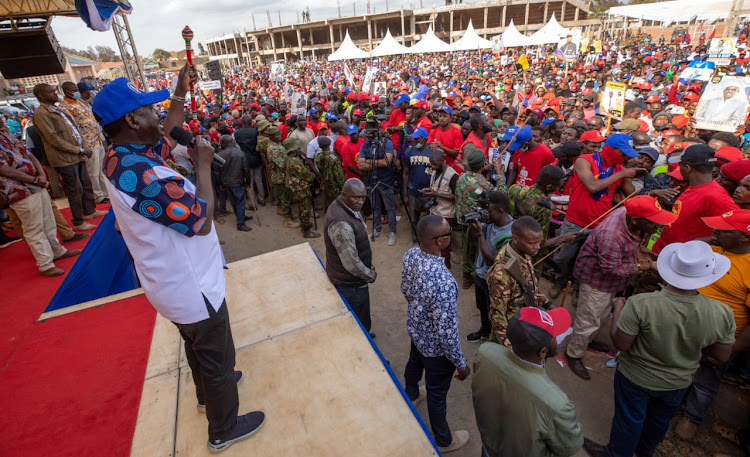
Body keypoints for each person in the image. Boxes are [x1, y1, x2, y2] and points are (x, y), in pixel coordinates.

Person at [93, 68, 264, 453]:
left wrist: (179, 94)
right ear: (132, 121)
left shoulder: (124, 154)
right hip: (192, 286)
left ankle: (207, 397)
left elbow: (167, 130)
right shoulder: (140, 174)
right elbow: (201, 221)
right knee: (219, 357)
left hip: (172, 283)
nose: (159, 115)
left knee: (196, 345)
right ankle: (223, 428)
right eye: (150, 110)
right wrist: (203, 163)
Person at [583, 241, 734, 457]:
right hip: (677, 382)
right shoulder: (722, 313)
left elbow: (622, 343)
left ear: (669, 269)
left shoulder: (641, 303)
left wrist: (617, 309)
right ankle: (645, 452)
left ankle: (617, 454)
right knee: (659, 420)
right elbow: (721, 356)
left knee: (629, 418)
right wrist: (689, 353)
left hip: (635, 378)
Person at [564, 196, 678, 380]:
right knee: (588, 319)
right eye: (654, 223)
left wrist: (638, 251)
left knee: (600, 314)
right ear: (635, 220)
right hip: (597, 280)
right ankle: (574, 353)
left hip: (608, 281)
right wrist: (644, 267)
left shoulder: (630, 215)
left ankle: (587, 341)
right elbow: (611, 268)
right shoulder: (612, 235)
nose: (658, 227)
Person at [675, 210, 750, 440]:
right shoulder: (714, 248)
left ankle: (692, 417)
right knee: (678, 367)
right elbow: (692, 245)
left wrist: (731, 348)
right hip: (685, 328)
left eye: (723, 229)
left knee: (705, 380)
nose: (714, 231)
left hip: (719, 340)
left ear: (745, 238)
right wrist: (715, 237)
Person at [472, 307, 583, 457]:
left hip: (489, 447)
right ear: (543, 352)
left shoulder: (485, 352)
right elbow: (569, 446)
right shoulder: (557, 404)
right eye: (554, 336)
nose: (557, 339)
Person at [402, 214, 470, 453]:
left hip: (416, 330)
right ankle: (443, 440)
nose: (451, 235)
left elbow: (406, 290)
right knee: (436, 394)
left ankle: (410, 394)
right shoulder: (443, 281)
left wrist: (418, 316)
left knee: (414, 362)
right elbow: (447, 333)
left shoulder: (410, 255)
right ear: (439, 241)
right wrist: (461, 364)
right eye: (449, 232)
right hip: (436, 351)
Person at [549, 133, 641, 298]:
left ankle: (577, 287)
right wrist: (621, 175)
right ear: (610, 149)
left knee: (588, 261)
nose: (626, 157)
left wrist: (650, 193)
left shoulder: (621, 169)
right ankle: (560, 280)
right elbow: (592, 186)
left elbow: (632, 198)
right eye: (623, 153)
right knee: (562, 257)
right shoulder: (585, 160)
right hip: (574, 221)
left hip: (600, 225)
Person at [0, 120, 81, 276]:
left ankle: (57, 251)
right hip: (19, 191)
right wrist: (34, 179)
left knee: (48, 221)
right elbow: (4, 170)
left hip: (36, 184)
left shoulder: (7, 135)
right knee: (34, 228)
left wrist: (41, 174)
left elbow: (29, 154)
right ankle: (45, 264)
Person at [33, 83, 105, 231]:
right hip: (64, 157)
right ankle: (78, 222)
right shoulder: (42, 113)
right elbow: (53, 139)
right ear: (41, 96)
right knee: (75, 189)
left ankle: (89, 211)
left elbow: (73, 130)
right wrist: (77, 150)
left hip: (77, 153)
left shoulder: (56, 108)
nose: (54, 94)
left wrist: (81, 147)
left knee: (85, 184)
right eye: (51, 92)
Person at [653, 144, 739, 253]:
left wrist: (696, 243)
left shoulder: (716, 197)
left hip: (682, 261)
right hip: (664, 253)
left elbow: (736, 230)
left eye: (680, 165)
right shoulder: (693, 187)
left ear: (687, 168)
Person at [324, 179, 377, 336]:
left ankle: (365, 334)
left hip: (352, 280)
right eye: (356, 198)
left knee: (362, 318)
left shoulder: (344, 206)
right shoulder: (341, 224)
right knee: (355, 325)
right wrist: (370, 275)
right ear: (344, 195)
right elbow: (352, 264)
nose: (361, 201)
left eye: (363, 197)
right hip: (349, 283)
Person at [487, 216, 548, 346]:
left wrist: (548, 305)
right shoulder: (501, 274)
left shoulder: (522, 252)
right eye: (532, 243)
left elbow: (529, 285)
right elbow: (498, 317)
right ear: (516, 239)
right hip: (511, 331)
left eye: (539, 242)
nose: (537, 247)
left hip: (524, 320)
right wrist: (510, 348)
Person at [465, 191, 514, 342]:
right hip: (481, 275)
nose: (486, 214)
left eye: (489, 211)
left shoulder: (511, 232)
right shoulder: (490, 223)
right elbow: (471, 241)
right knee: (482, 307)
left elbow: (490, 260)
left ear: (500, 211)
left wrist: (480, 234)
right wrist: (473, 228)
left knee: (495, 312)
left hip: (494, 281)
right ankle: (484, 331)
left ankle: (496, 339)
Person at [455, 146, 504, 289]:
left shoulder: (462, 177)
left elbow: (477, 188)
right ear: (483, 164)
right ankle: (478, 274)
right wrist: (499, 172)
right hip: (477, 222)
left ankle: (466, 276)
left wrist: (483, 170)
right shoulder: (483, 184)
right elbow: (501, 194)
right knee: (481, 248)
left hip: (463, 219)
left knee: (467, 247)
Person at [59, 81, 109, 204]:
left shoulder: (80, 102)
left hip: (96, 140)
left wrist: (101, 138)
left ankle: (106, 192)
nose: (77, 91)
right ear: (67, 91)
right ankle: (97, 195)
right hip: (87, 143)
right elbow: (71, 127)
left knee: (101, 170)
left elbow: (91, 120)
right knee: (93, 172)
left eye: (77, 89)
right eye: (74, 89)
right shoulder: (65, 107)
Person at [358, 122, 397, 245]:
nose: (371, 136)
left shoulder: (386, 143)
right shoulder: (365, 145)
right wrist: (376, 162)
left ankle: (392, 232)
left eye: (373, 133)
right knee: (375, 206)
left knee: (389, 207)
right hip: (371, 181)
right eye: (368, 133)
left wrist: (368, 161)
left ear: (378, 131)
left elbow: (387, 162)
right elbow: (360, 165)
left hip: (386, 181)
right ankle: (377, 229)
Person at [422, 149, 459, 266]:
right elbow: (435, 186)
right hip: (434, 210)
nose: (432, 166)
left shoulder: (452, 175)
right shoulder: (434, 170)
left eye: (435, 164)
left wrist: (436, 194)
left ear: (442, 161)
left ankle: (445, 267)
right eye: (431, 163)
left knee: (442, 244)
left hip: (445, 213)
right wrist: (429, 191)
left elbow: (456, 197)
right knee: (433, 241)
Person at [284, 137, 319, 238]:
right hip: (300, 189)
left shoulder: (289, 157)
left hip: (296, 187)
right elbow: (306, 175)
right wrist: (314, 176)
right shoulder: (295, 161)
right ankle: (306, 231)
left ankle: (305, 224)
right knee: (305, 208)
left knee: (303, 207)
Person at [402, 127, 433, 243]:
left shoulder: (432, 151)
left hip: (428, 193)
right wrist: (405, 193)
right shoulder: (409, 152)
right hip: (413, 191)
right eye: (413, 139)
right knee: (413, 218)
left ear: (424, 140)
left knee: (428, 218)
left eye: (417, 139)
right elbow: (406, 173)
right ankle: (415, 238)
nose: (414, 142)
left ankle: (427, 239)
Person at [217, 135, 252, 232]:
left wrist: (221, 183)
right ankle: (240, 224)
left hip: (227, 182)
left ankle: (241, 217)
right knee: (240, 202)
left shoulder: (219, 155)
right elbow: (246, 169)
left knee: (234, 202)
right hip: (237, 182)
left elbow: (217, 171)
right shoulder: (240, 153)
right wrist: (248, 181)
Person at [267, 127, 298, 228]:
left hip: (282, 175)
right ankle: (287, 220)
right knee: (285, 198)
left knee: (285, 197)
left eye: (280, 134)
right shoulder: (273, 148)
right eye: (277, 135)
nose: (279, 137)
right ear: (271, 136)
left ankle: (287, 214)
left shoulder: (277, 144)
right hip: (280, 177)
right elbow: (282, 164)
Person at [233, 115, 266, 206]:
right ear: (251, 122)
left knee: (249, 181)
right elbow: (258, 147)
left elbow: (237, 148)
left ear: (242, 123)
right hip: (256, 158)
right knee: (258, 180)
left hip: (245, 160)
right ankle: (261, 199)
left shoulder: (237, 134)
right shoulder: (255, 132)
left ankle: (252, 203)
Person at [314, 136, 345, 210]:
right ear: (329, 144)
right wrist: (343, 187)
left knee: (327, 205)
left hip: (325, 185)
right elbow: (339, 176)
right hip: (335, 187)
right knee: (337, 207)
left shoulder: (318, 156)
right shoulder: (333, 158)